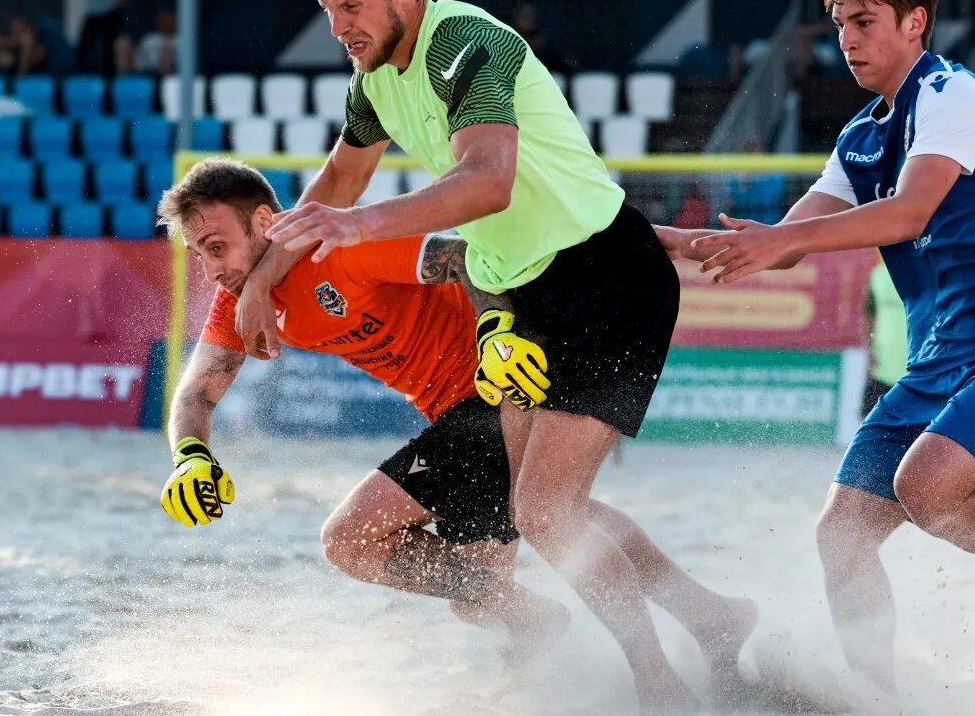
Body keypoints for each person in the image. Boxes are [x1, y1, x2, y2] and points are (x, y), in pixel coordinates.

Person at [235, 0, 756, 716]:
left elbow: (490, 181)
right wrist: (265, 277)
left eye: (351, 4)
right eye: (328, 7)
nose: (337, 24)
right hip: (527, 291)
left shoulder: (467, 42)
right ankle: (713, 617)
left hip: (609, 281)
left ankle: (660, 679)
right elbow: (336, 183)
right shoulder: (375, 81)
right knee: (544, 506)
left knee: (546, 512)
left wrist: (359, 224)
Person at [158, 157, 754, 668]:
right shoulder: (241, 299)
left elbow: (473, 256)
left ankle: (614, 655)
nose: (210, 269)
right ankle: (704, 616)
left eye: (217, 248)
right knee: (497, 584)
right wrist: (190, 455)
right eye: (198, 254)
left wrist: (498, 328)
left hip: (501, 388)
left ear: (265, 222)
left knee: (350, 539)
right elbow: (196, 394)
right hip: (459, 412)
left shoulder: (340, 248)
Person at [687, 0, 975, 692]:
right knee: (840, 535)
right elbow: (788, 244)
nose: (848, 39)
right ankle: (877, 695)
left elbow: (907, 213)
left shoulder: (952, 93)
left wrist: (783, 240)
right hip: (937, 363)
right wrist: (661, 241)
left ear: (915, 23)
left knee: (925, 488)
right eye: (839, 22)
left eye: (865, 20)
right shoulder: (861, 137)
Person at [860, 256, 908, 419]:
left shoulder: (927, 275)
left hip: (915, 361)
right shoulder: (878, 275)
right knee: (870, 417)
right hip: (884, 362)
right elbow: (868, 316)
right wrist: (869, 350)